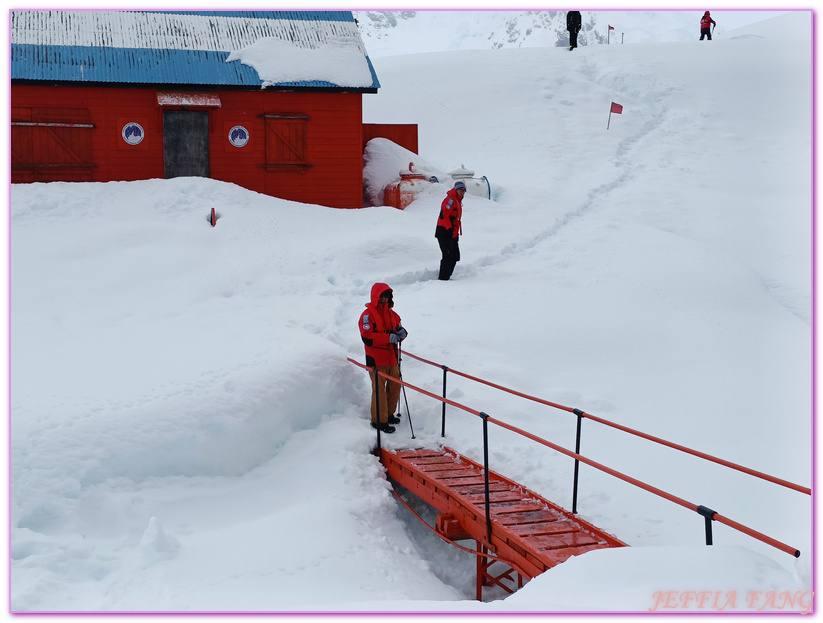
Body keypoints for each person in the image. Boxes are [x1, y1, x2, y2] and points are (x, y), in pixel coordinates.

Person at [358, 283, 408, 433]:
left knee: (395, 387)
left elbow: (398, 328)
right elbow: (367, 337)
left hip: (392, 358)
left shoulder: (393, 314)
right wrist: (387, 337)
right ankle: (379, 421)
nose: (384, 299)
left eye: (387, 296)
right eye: (382, 296)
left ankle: (389, 414)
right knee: (379, 391)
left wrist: (402, 333)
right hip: (376, 360)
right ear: (375, 297)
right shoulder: (367, 315)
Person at [435, 181, 465, 280]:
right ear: (456, 189)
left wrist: (454, 233)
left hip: (453, 232)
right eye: (461, 190)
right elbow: (444, 215)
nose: (462, 192)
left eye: (464, 190)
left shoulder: (458, 201)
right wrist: (449, 229)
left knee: (455, 256)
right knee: (447, 255)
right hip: (444, 231)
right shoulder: (450, 200)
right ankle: (443, 279)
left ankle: (447, 276)